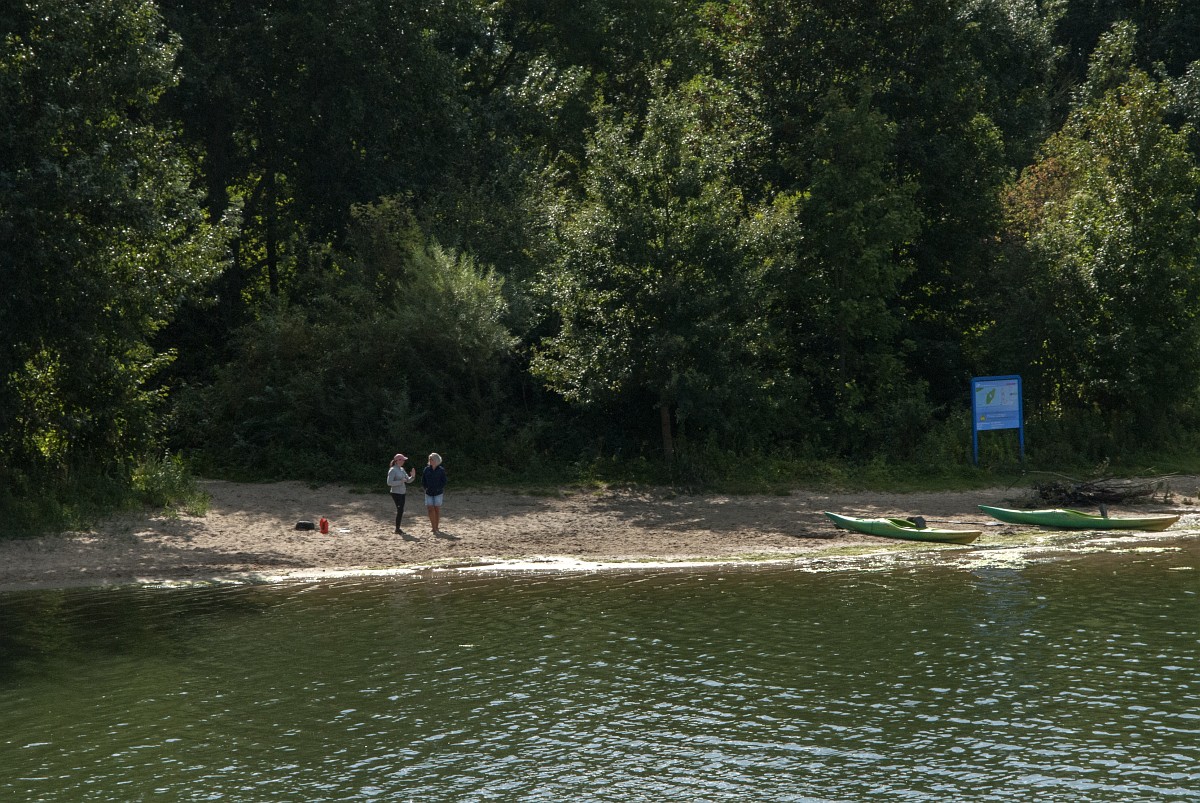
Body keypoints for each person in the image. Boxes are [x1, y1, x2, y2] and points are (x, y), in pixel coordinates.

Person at [386, 453, 415, 534]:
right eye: (402, 460)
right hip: (395, 493)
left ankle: (397, 528)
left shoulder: (402, 469)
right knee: (400, 510)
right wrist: (400, 482)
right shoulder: (392, 470)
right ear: (397, 461)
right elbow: (389, 482)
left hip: (402, 492)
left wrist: (412, 476)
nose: (403, 461)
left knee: (401, 510)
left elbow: (408, 480)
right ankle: (397, 529)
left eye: (403, 460)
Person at [422, 452, 448, 534]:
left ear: (436, 460)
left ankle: (436, 527)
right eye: (429, 459)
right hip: (428, 492)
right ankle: (433, 527)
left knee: (436, 509)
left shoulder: (441, 470)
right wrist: (425, 487)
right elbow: (423, 480)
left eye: (431, 459)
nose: (430, 460)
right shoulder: (426, 469)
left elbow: (444, 481)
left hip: (438, 492)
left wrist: (439, 488)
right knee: (430, 509)